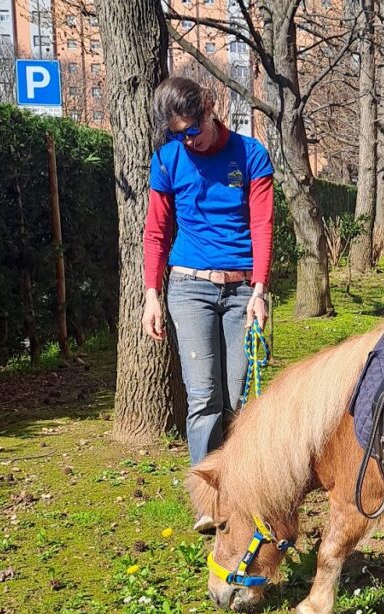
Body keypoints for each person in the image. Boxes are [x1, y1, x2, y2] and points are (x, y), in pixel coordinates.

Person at [141, 76, 274, 533]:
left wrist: (259, 290)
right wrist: (151, 295)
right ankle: (207, 497)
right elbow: (156, 231)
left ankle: (238, 488)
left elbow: (262, 225)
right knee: (203, 399)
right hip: (189, 289)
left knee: (237, 398)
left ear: (212, 107)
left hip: (241, 291)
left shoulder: (251, 155)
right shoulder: (167, 160)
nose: (187, 140)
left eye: (192, 129)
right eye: (177, 133)